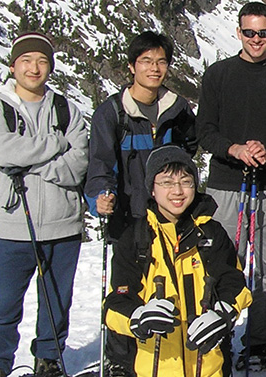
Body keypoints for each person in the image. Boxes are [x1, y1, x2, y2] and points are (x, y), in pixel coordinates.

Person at [196, 1, 266, 369]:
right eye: (249, 32)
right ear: (238, 32)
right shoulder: (217, 76)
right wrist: (236, 149)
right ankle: (219, 333)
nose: (256, 39)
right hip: (226, 183)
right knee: (224, 263)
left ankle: (260, 340)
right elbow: (205, 131)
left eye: (263, 32)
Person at [0, 32, 89, 377]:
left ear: (50, 67)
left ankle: (49, 359)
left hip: (63, 222)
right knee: (5, 304)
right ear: (13, 66)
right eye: (26, 60)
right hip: (14, 224)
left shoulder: (66, 109)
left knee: (56, 302)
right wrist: (55, 145)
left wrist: (29, 160)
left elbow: (78, 164)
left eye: (41, 61)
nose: (34, 67)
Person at [85, 31, 197, 376]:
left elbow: (188, 150)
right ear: (132, 66)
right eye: (146, 61)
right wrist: (99, 197)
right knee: (126, 288)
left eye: (161, 61)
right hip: (128, 216)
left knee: (167, 282)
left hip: (168, 218)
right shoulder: (113, 113)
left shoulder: (177, 110)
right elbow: (100, 162)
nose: (155, 68)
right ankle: (120, 359)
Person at [104, 145, 253, 377]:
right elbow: (115, 303)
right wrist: (137, 318)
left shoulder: (211, 233)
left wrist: (223, 314)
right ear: (152, 189)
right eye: (166, 182)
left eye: (186, 181)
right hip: (151, 367)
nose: (178, 191)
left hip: (209, 367)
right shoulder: (135, 238)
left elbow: (234, 284)